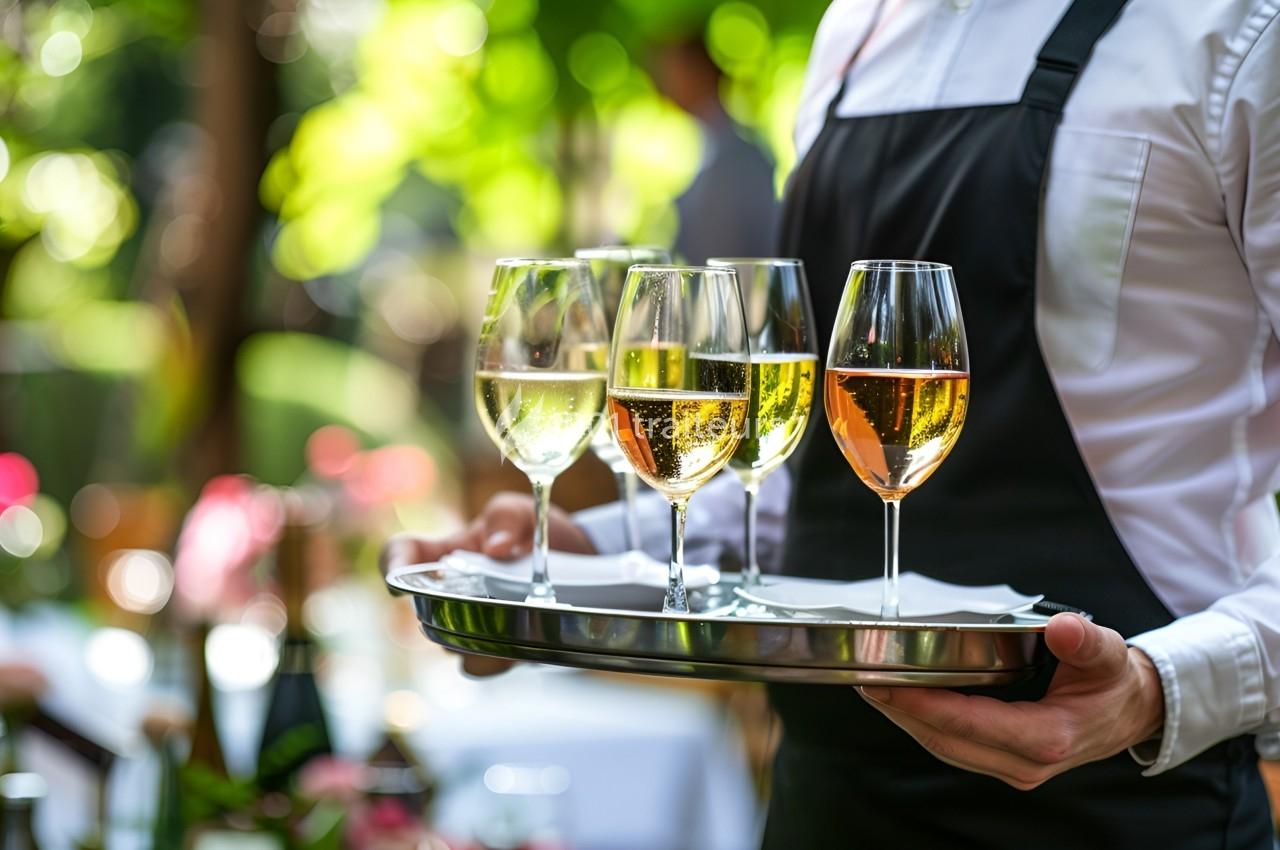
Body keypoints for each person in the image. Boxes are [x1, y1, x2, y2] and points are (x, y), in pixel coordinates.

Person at [385, 0, 1280, 845]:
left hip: (1124, 813)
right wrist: (588, 546)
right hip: (825, 801)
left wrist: (1160, 691)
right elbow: (809, 495)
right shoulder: (855, 31)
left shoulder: (1238, 32)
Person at [651, 36, 779, 264]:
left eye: (674, 73)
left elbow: (725, 250)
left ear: (699, 72)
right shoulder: (710, 144)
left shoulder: (738, 157)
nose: (665, 85)